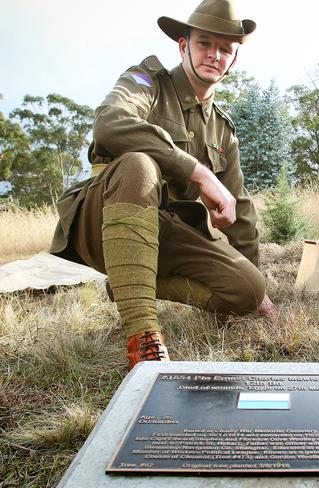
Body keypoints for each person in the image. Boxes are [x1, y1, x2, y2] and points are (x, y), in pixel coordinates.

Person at [50, 0, 275, 370]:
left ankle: (129, 283)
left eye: (225, 49)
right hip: (106, 218)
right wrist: (198, 173)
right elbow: (109, 123)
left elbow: (241, 210)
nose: (215, 55)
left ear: (234, 61)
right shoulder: (148, 81)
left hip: (168, 233)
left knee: (248, 289)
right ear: (184, 45)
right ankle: (143, 335)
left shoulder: (223, 130)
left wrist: (258, 293)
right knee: (139, 164)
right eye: (205, 43)